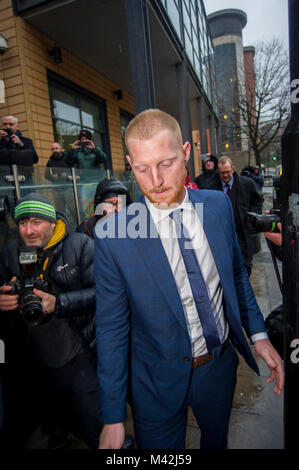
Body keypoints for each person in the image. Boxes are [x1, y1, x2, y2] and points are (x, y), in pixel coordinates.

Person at [94, 109, 284, 450]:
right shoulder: (112, 235)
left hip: (218, 369)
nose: (155, 180)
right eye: (141, 168)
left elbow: (236, 275)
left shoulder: (217, 206)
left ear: (185, 153)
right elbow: (111, 329)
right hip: (154, 385)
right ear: (129, 163)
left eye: (165, 163)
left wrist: (258, 334)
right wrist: (112, 415)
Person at [0, 193, 102, 449]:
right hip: (35, 356)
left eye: (37, 222)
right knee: (55, 418)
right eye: (23, 223)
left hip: (79, 351)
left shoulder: (80, 245)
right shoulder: (10, 252)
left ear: (53, 223)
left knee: (95, 421)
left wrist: (60, 302)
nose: (29, 230)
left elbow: (103, 294)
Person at [207, 156, 263, 276]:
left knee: (245, 267)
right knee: (228, 268)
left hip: (243, 233)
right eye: (222, 173)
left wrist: (252, 216)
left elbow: (258, 200)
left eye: (227, 172)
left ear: (233, 169)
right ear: (218, 172)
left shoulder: (247, 184)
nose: (225, 175)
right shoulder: (211, 187)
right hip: (223, 235)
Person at [65, 130, 108, 219]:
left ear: (90, 140)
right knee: (86, 207)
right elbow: (68, 161)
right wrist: (72, 150)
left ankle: (102, 221)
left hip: (97, 182)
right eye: (81, 139)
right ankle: (89, 224)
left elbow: (104, 159)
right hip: (84, 183)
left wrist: (95, 148)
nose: (83, 141)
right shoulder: (77, 152)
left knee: (99, 204)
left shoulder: (95, 149)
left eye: (86, 139)